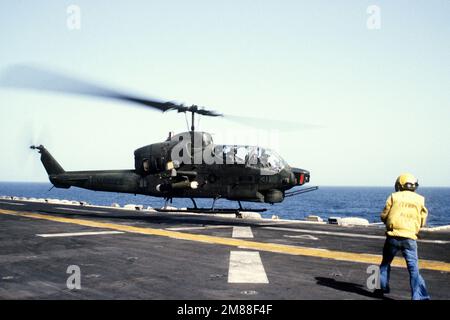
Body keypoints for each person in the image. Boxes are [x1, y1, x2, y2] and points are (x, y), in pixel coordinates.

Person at [376, 173, 430, 300]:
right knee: (413, 269)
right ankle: (419, 297)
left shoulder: (393, 197)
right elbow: (423, 220)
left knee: (385, 264)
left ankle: (380, 288)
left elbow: (384, 215)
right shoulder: (420, 199)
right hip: (410, 238)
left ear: (400, 184)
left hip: (393, 237)